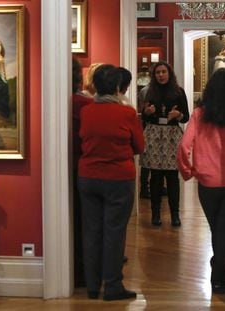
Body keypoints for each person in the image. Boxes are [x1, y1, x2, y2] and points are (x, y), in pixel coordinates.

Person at [78, 64, 144, 301]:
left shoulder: (86, 111)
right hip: (118, 178)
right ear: (117, 87)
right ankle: (113, 286)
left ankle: (92, 286)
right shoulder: (127, 113)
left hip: (88, 176)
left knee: (91, 231)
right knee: (114, 232)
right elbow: (140, 146)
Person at [177, 68, 225, 294]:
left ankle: (220, 271)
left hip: (207, 183)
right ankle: (220, 276)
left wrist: (187, 171)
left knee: (217, 229)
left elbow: (184, 146)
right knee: (224, 229)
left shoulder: (200, 114)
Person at [140, 61, 189, 227]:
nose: (161, 75)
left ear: (169, 73)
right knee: (155, 177)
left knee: (172, 177)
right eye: (158, 73)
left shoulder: (179, 92)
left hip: (171, 136)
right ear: (154, 75)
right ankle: (155, 214)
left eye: (163, 72)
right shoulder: (149, 92)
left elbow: (187, 117)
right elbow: (144, 118)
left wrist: (178, 114)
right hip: (154, 134)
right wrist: (147, 113)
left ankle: (175, 215)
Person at [71, 57, 94, 287]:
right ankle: (84, 273)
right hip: (83, 168)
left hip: (67, 168)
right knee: (84, 222)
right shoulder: (84, 105)